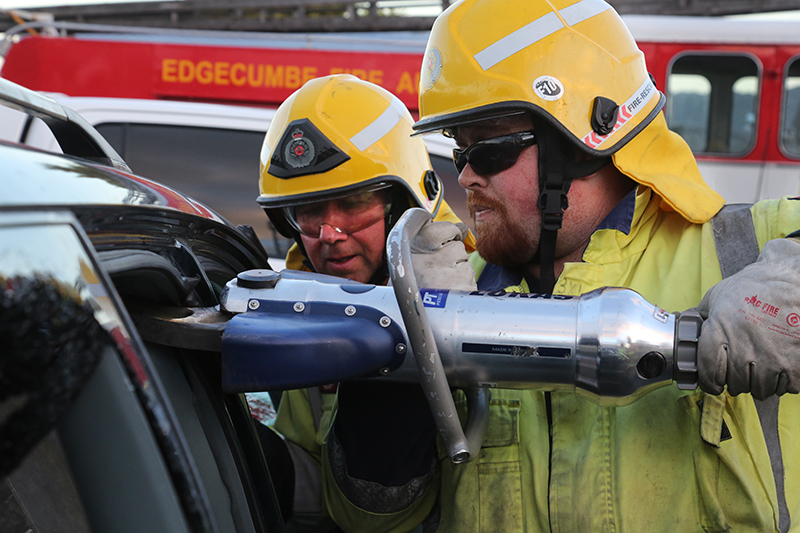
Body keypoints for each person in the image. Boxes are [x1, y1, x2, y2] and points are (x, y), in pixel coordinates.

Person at [320, 1, 800, 532]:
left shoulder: (748, 249)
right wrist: (399, 362)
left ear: (587, 137)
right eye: (460, 151)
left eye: (491, 148)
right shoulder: (456, 294)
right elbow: (369, 518)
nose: (468, 178)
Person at [254, 73, 475, 531]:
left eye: (353, 203)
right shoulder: (302, 309)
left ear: (405, 202)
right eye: (309, 211)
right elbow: (316, 488)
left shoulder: (484, 293)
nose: (328, 236)